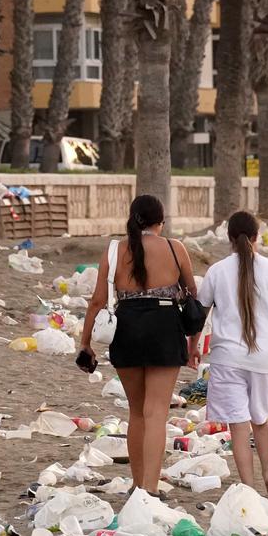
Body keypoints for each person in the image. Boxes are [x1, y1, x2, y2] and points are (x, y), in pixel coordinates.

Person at [79, 195, 196, 499]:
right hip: (165, 327)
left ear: (132, 218)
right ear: (161, 221)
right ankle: (151, 488)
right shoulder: (175, 248)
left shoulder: (115, 250)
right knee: (156, 412)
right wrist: (195, 341)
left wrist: (85, 342)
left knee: (137, 412)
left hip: (127, 327)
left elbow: (97, 301)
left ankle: (137, 484)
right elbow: (193, 295)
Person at [189, 211, 268, 496]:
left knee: (238, 425)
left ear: (229, 238)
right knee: (261, 419)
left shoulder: (217, 271)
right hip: (264, 357)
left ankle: (249, 487)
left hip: (227, 357)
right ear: (256, 237)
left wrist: (192, 346)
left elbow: (200, 314)